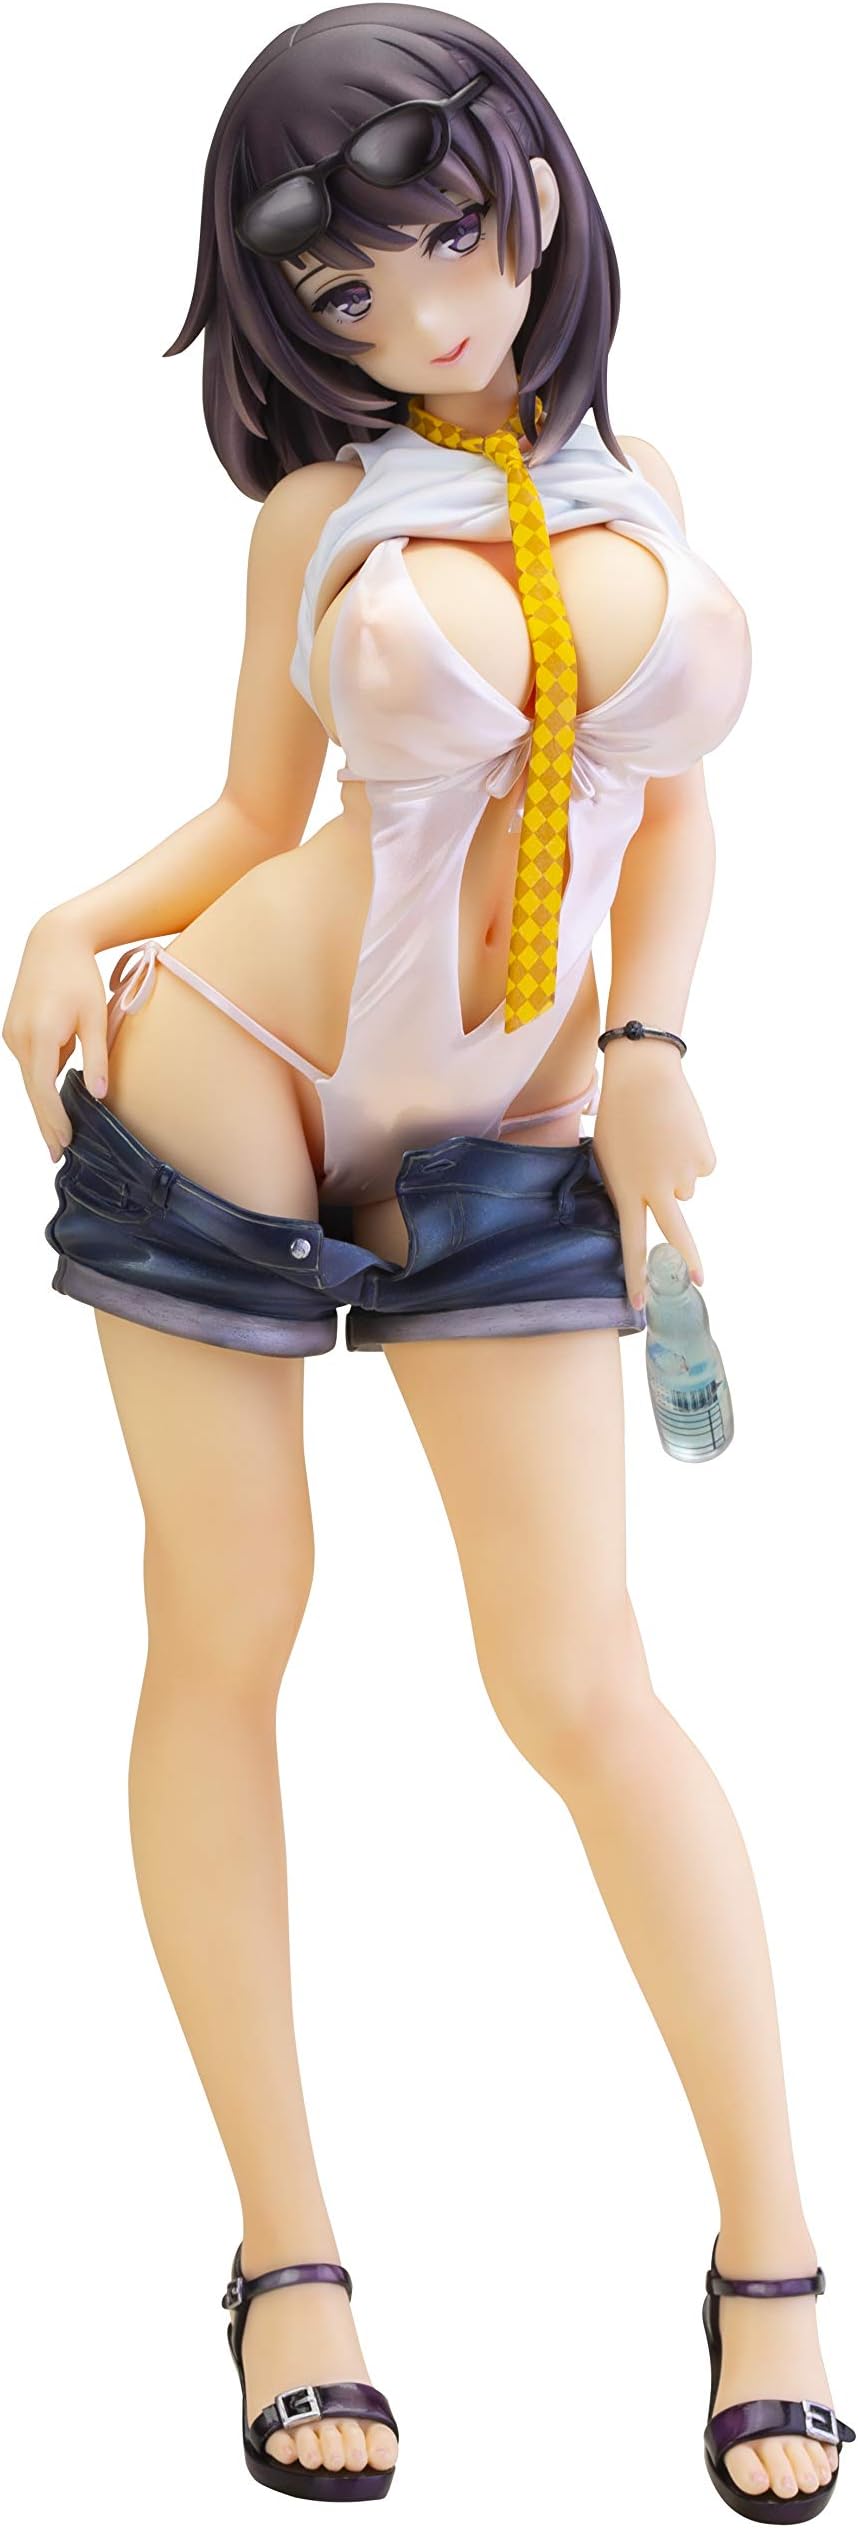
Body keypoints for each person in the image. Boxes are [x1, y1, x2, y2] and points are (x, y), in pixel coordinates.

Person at [3, 7, 853, 2511]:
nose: (423, 313)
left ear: (536, 197)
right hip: (237, 1055)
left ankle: (776, 2249)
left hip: (518, 1108)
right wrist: (61, 928)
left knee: (582, 1681)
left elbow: (670, 813)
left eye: (452, 239)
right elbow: (253, 811)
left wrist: (660, 1042)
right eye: (348, 290)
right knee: (229, 1625)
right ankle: (290, 2255)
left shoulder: (644, 482)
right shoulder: (315, 517)